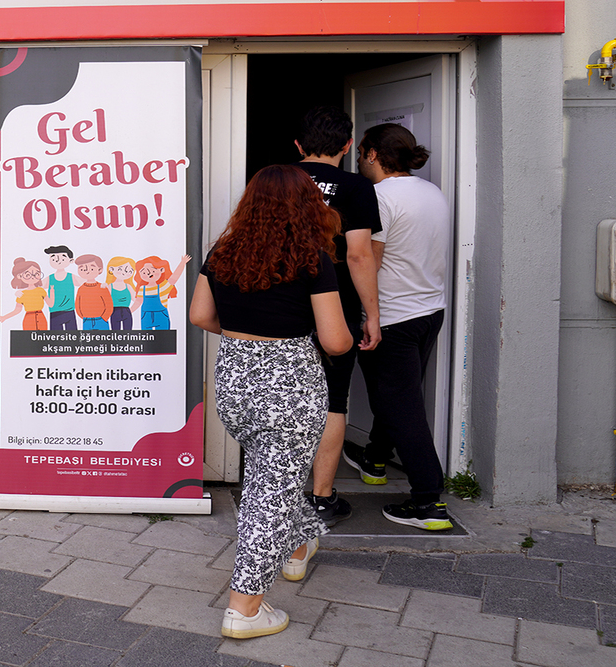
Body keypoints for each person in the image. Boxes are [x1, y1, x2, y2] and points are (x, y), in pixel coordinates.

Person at [190, 165, 352, 640]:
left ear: (251, 204)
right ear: (307, 207)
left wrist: (244, 334)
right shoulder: (312, 258)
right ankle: (244, 609)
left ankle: (298, 548)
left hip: (235, 384)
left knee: (271, 477)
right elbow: (335, 340)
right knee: (270, 491)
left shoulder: (223, 252)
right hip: (290, 388)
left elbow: (200, 315)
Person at [349, 124, 454, 531]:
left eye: (362, 152)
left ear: (372, 154)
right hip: (429, 312)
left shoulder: (378, 197)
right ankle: (375, 459)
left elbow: (369, 261)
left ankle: (428, 500)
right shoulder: (432, 192)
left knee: (401, 406)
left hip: (393, 316)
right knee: (396, 396)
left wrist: (368, 315)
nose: (359, 159)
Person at [293, 106, 382, 527]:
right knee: (333, 398)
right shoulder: (356, 187)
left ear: (297, 145)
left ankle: (279, 495)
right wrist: (372, 314)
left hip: (280, 302)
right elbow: (359, 254)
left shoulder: (275, 180)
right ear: (347, 146)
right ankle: (321, 498)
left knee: (282, 396)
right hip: (335, 302)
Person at [132, 254, 190, 331]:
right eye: (144, 272)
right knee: (147, 337)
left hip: (161, 316)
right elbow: (138, 302)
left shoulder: (163, 287)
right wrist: (130, 311)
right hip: (146, 317)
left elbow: (174, 278)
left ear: (161, 270)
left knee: (164, 336)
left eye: (153, 271)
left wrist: (182, 263)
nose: (148, 274)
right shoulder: (142, 289)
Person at [0, 258, 50, 330]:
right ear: (19, 276)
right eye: (28, 275)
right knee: (28, 336)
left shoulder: (41, 291)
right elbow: (17, 310)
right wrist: (4, 317)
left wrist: (52, 292)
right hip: (29, 319)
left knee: (42, 336)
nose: (33, 277)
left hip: (41, 318)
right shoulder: (21, 294)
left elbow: (50, 304)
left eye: (37, 274)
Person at [73, 254, 113, 330]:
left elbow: (109, 304)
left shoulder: (102, 287)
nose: (86, 271)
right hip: (86, 320)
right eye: (82, 269)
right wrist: (83, 317)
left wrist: (104, 317)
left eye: (91, 269)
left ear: (100, 270)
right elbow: (78, 305)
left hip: (101, 320)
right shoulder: (81, 289)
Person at [43, 245, 78, 331]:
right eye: (53, 258)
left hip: (69, 311)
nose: (58, 260)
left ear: (71, 261)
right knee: (55, 336)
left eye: (63, 258)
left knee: (73, 335)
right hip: (54, 312)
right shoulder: (50, 278)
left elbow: (85, 281)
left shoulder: (71, 277)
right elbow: (37, 286)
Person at [106, 256, 139, 330]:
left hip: (126, 311)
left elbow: (137, 300)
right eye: (121, 269)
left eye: (129, 271)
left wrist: (131, 310)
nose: (125, 273)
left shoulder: (128, 286)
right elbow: (105, 301)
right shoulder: (110, 286)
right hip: (114, 311)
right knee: (115, 332)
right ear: (111, 269)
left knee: (127, 333)